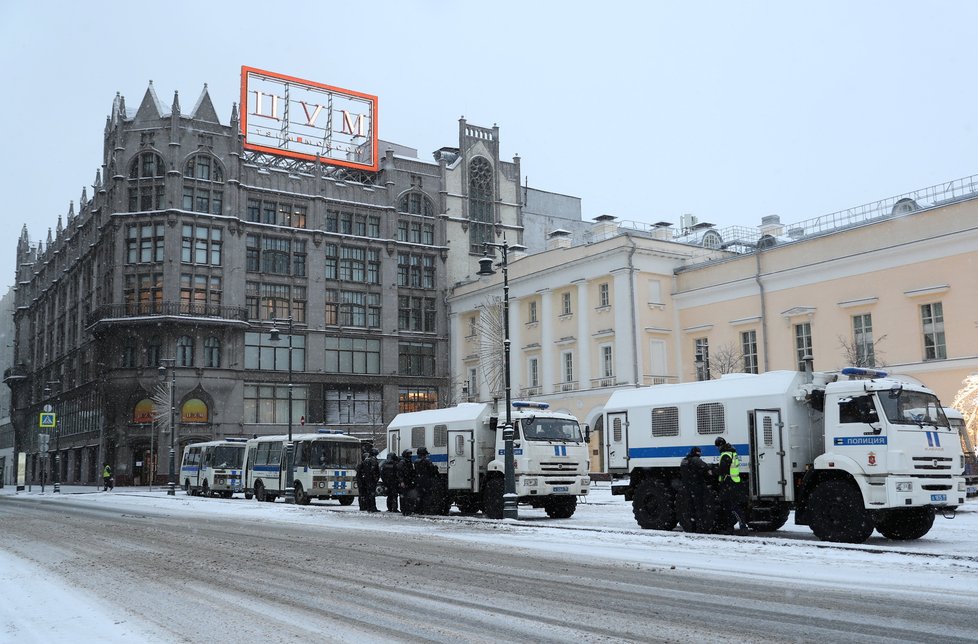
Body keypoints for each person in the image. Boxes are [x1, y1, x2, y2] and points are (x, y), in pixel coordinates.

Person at [715, 437, 749, 534]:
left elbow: (723, 470)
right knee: (729, 507)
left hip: (729, 483)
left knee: (732, 507)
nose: (717, 449)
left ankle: (742, 527)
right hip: (732, 482)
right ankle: (730, 527)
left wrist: (713, 470)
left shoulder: (726, 454)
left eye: (717, 446)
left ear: (720, 445)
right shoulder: (731, 452)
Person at [679, 446, 712, 533]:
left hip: (687, 487)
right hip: (696, 486)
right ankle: (700, 527)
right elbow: (704, 466)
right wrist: (711, 467)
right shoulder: (695, 460)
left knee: (690, 507)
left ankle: (691, 526)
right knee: (699, 507)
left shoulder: (684, 461)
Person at [415, 446, 438, 514]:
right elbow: (432, 471)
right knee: (427, 496)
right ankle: (426, 510)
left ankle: (419, 510)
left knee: (419, 495)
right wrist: (435, 468)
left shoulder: (416, 462)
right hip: (427, 481)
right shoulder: (427, 461)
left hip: (418, 481)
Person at [396, 449, 418, 516]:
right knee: (404, 496)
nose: (410, 455)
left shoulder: (409, 462)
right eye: (409, 454)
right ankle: (404, 510)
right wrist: (401, 481)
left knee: (408, 496)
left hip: (409, 481)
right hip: (405, 481)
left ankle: (408, 509)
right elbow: (399, 473)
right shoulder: (402, 463)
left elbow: (412, 472)